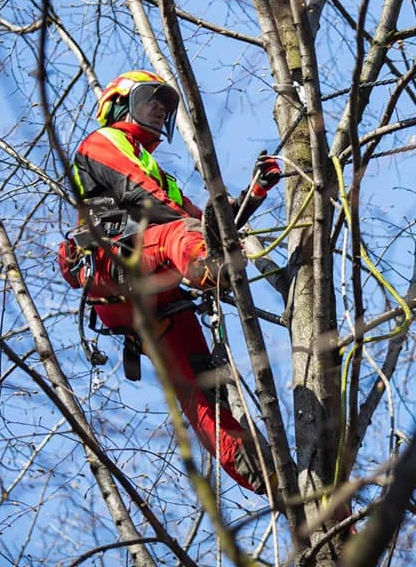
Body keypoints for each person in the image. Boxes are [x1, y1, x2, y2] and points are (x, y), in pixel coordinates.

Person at [57, 69, 282, 496]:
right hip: (117, 265)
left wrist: (252, 195)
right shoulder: (101, 143)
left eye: (164, 106)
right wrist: (205, 241)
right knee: (186, 237)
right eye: (150, 102)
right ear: (120, 105)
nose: (159, 110)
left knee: (203, 392)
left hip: (159, 292)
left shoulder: (163, 177)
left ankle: (268, 476)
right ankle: (209, 270)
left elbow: (205, 219)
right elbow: (149, 204)